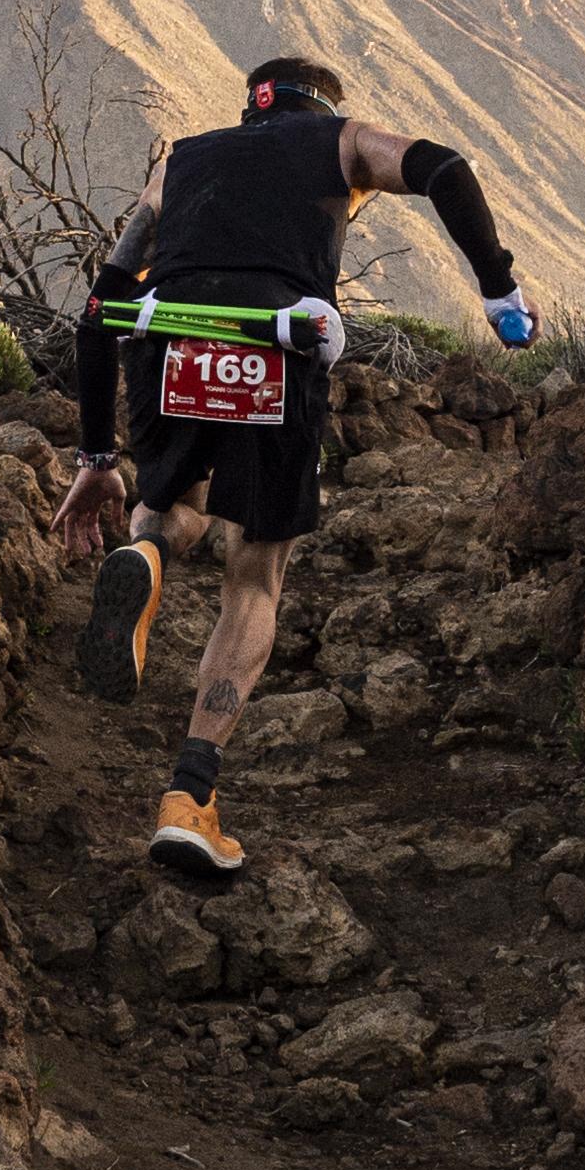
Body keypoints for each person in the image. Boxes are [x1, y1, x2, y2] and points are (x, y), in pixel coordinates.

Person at [56, 53, 533, 882]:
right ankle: (189, 799)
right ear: (325, 111)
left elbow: (100, 306)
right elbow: (445, 168)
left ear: (251, 108)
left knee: (173, 503)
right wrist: (497, 287)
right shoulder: (342, 142)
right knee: (255, 577)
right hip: (276, 342)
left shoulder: (182, 164)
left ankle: (148, 551)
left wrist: (98, 457)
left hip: (169, 333)